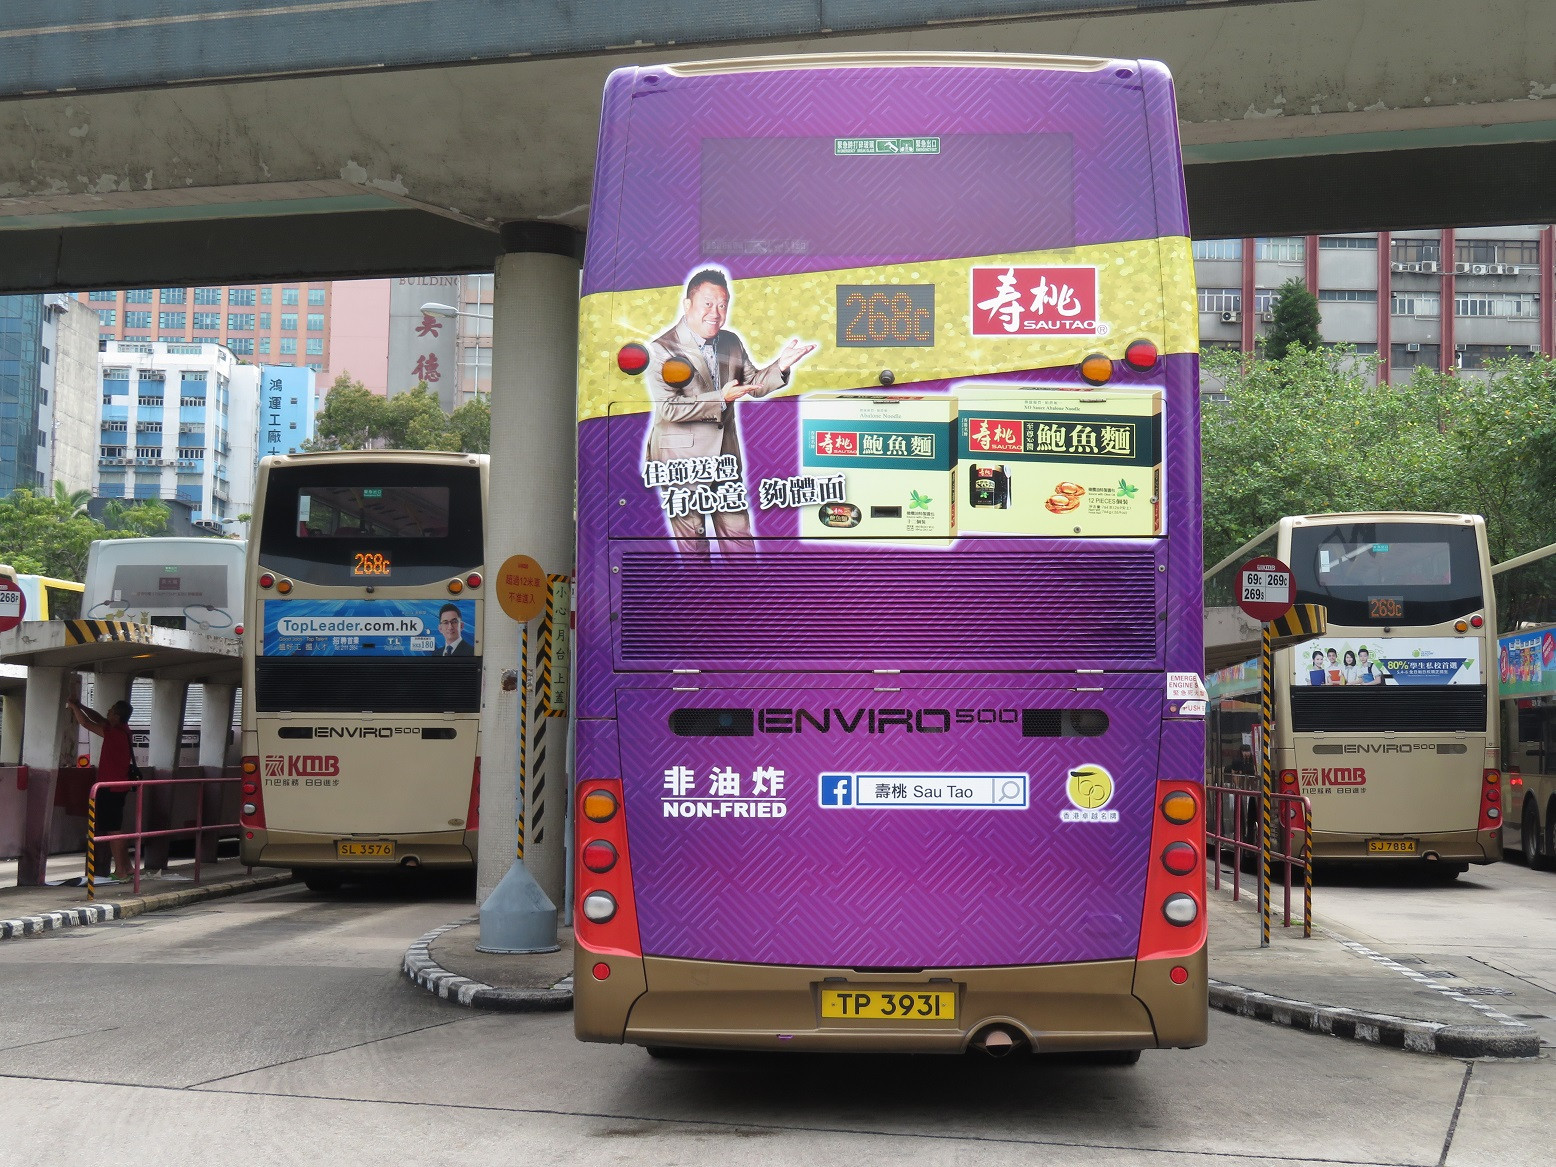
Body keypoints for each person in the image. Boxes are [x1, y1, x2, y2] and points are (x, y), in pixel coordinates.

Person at [644, 267, 816, 557]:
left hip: (725, 456)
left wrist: (781, 366)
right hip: (681, 459)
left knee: (739, 538)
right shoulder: (662, 349)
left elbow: (752, 384)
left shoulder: (731, 341)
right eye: (708, 303)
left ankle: (745, 588)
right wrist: (720, 398)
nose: (716, 313)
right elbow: (670, 409)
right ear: (687, 304)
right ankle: (700, 589)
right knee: (694, 544)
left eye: (722, 305)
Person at [67, 696, 136, 882]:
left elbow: (85, 723)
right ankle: (128, 867)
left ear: (116, 716)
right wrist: (82, 705)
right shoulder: (124, 730)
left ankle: (120, 871)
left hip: (109, 788)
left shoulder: (113, 734)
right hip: (118, 787)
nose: (107, 712)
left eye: (111, 710)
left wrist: (73, 707)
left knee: (113, 831)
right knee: (116, 828)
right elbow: (98, 718)